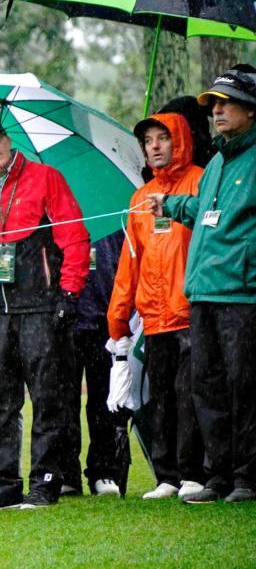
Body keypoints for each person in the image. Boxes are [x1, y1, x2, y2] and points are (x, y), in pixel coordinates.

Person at [0, 116, 90, 512]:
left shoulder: (46, 177)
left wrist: (69, 292)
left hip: (40, 305)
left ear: (8, 140)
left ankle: (46, 480)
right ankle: (4, 484)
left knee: (48, 398)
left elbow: (76, 236)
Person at [149, 65, 256, 503]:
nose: (216, 111)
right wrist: (171, 204)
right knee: (207, 386)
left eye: (226, 102)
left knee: (244, 386)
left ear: (252, 108)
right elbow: (206, 213)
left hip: (242, 293)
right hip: (204, 292)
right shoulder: (215, 161)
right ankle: (219, 475)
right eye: (213, 104)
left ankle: (249, 477)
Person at [108, 113, 206, 501]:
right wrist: (117, 318)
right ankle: (166, 475)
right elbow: (129, 262)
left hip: (193, 311)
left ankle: (194, 473)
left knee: (192, 395)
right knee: (159, 397)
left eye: (162, 138)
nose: (155, 146)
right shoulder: (140, 197)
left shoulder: (200, 181)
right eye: (148, 140)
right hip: (154, 317)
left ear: (178, 139)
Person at [63, 230, 126, 497]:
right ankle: (67, 473)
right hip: (66, 321)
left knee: (103, 402)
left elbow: (123, 267)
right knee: (65, 402)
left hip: (105, 322)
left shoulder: (112, 221)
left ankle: (103, 471)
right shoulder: (61, 219)